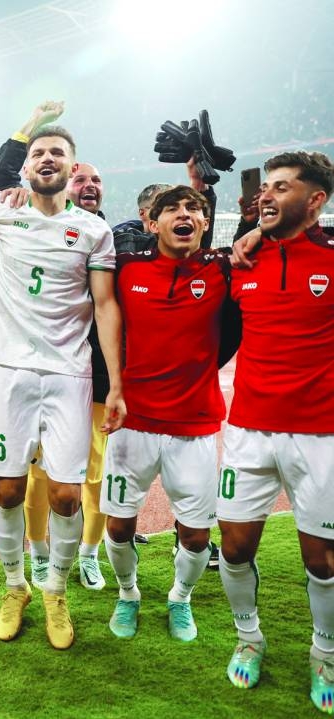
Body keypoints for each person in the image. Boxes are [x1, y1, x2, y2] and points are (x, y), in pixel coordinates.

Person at [0, 125, 125, 650]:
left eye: (57, 152)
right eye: (38, 152)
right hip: (8, 373)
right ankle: (14, 587)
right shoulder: (0, 210)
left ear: (71, 167)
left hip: (68, 377)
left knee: (63, 495)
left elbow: (105, 306)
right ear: (25, 164)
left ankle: (55, 589)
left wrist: (118, 382)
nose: (47, 158)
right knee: (8, 488)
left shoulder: (93, 232)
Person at [217, 151, 334, 714]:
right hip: (248, 430)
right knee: (235, 548)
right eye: (265, 186)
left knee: (324, 561)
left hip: (322, 434)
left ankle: (325, 652)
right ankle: (249, 637)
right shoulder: (241, 261)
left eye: (282, 187)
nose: (267, 195)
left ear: (316, 201)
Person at [101, 185, 234, 642]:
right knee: (118, 526)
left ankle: (181, 598)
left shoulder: (224, 270)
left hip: (193, 426)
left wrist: (209, 186)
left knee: (196, 536)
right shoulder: (127, 267)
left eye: (193, 209)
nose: (184, 215)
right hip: (131, 422)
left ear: (205, 222)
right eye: (172, 209)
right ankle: (128, 593)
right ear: (150, 223)